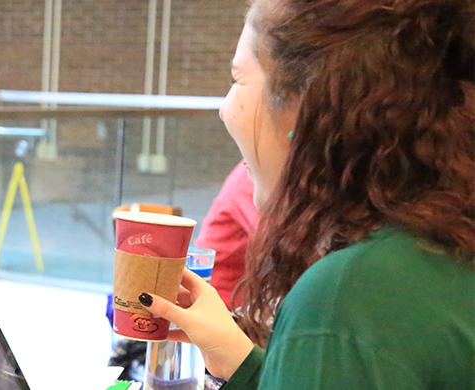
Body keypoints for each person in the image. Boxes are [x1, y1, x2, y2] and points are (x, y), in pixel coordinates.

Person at [139, 0, 475, 388]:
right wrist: (239, 359)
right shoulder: (441, 245)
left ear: (306, 107)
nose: (223, 110)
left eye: (237, 79)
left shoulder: (348, 296)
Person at [193, 162, 259, 310]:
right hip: (221, 302)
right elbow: (283, 240)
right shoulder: (248, 180)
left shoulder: (253, 173)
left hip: (246, 297)